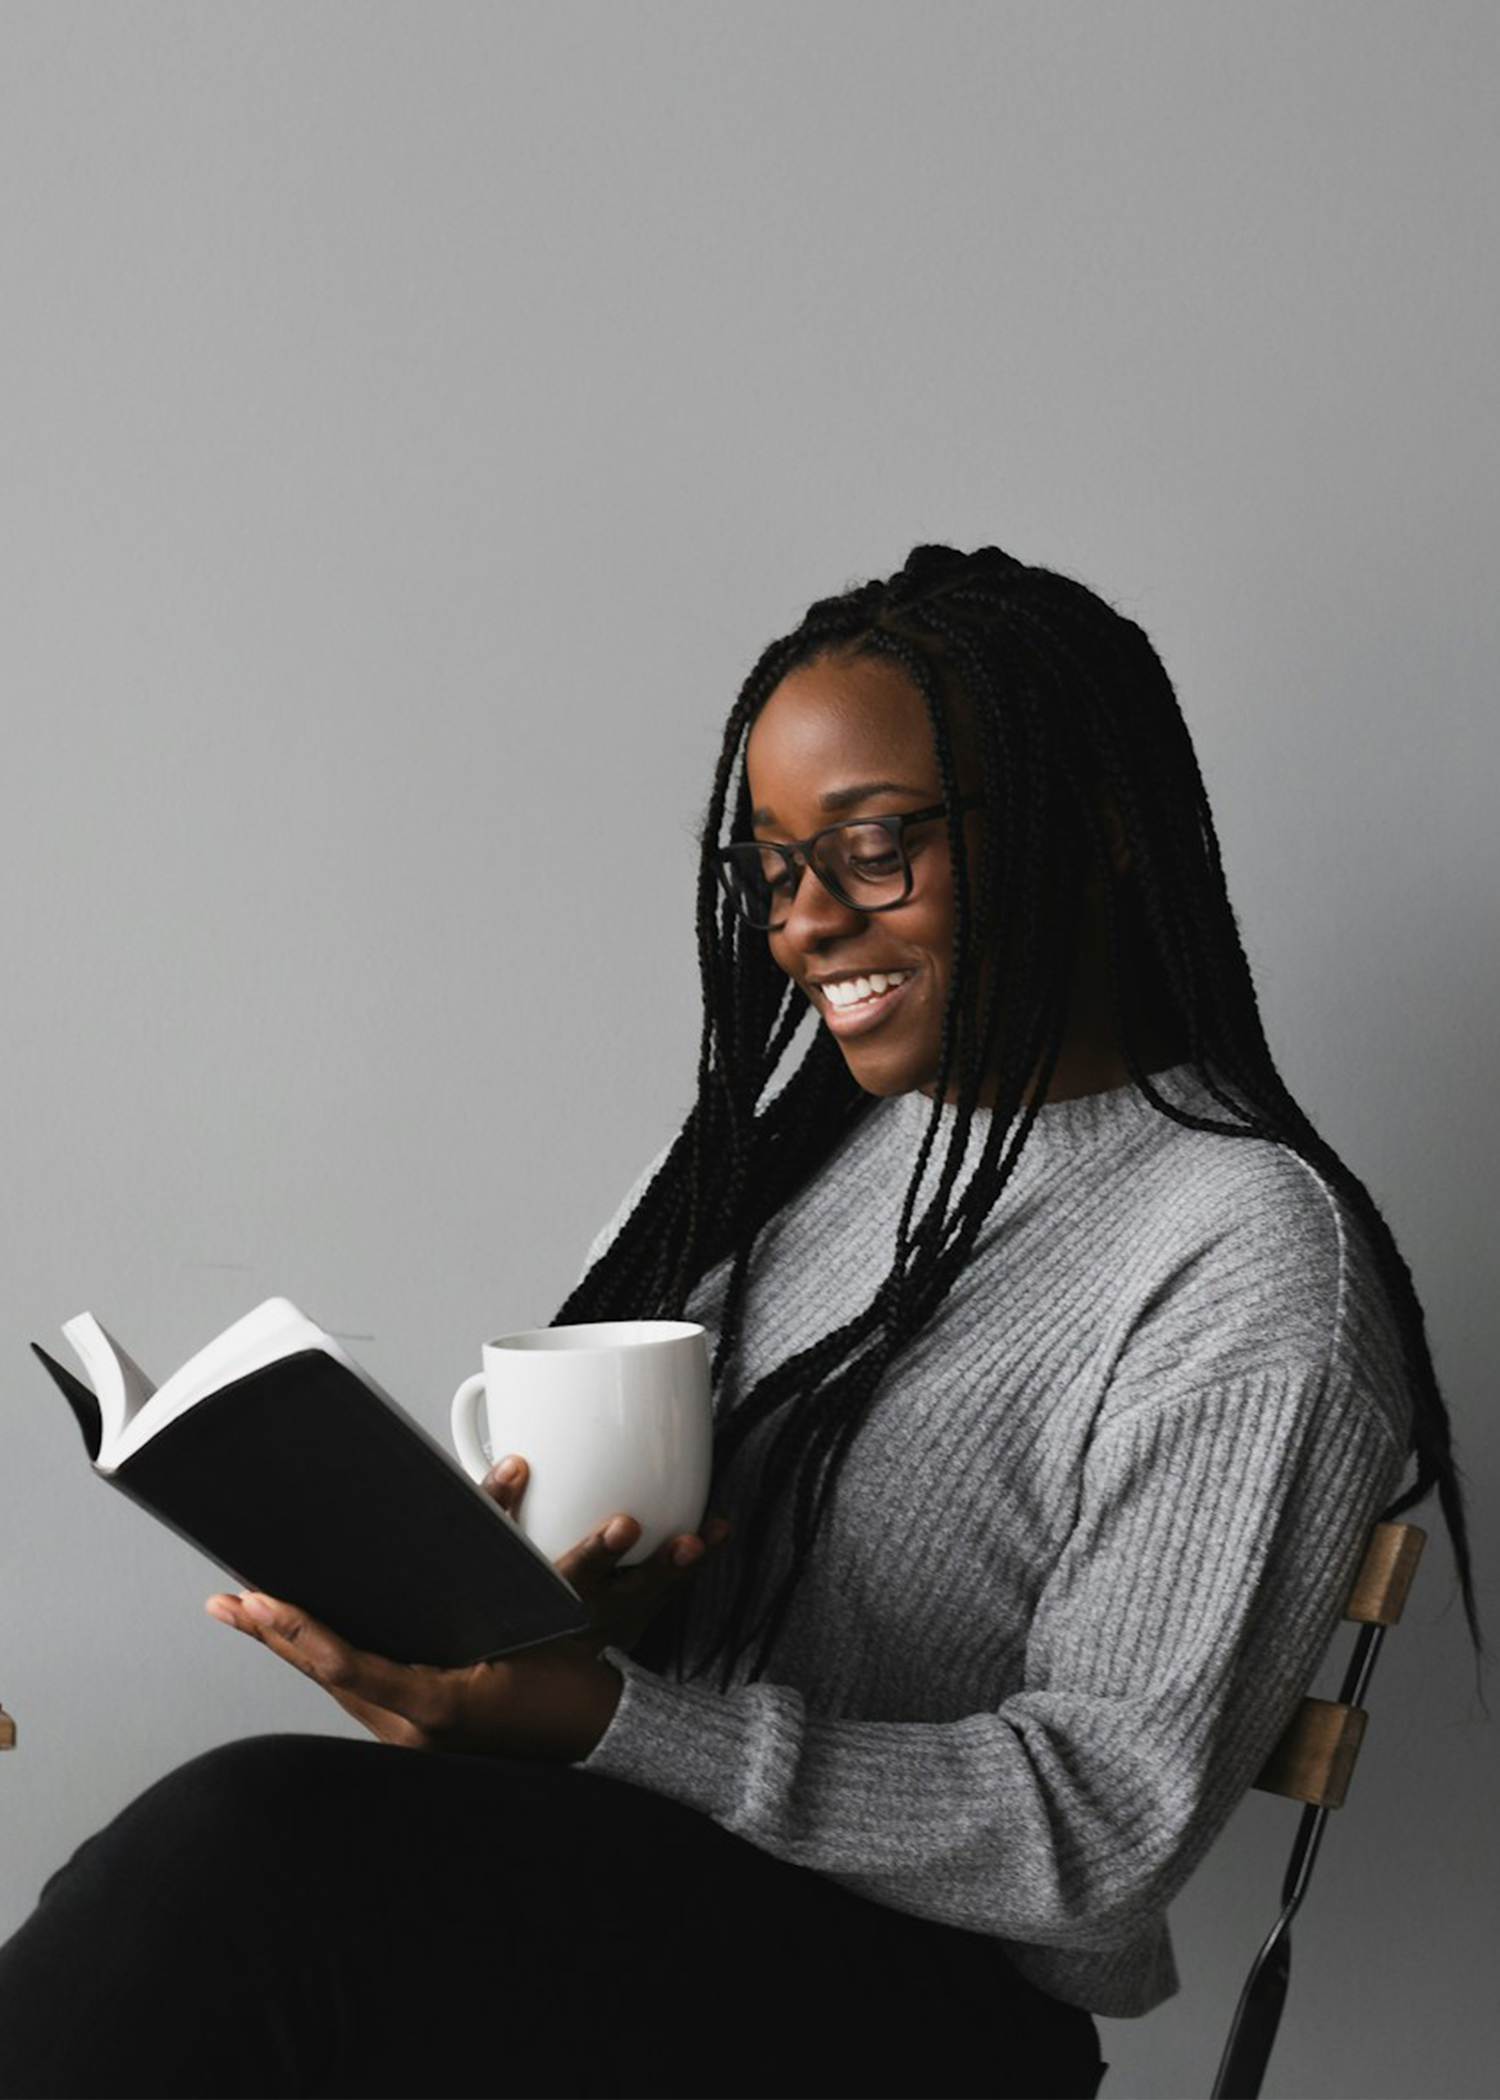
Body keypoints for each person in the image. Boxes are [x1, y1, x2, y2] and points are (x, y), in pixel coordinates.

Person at [0, 545, 1475, 2100]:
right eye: (772, 871)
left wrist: (621, 1723)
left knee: (250, 1858)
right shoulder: (770, 1164)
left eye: (874, 845)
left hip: (913, 2020)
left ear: (1093, 823)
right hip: (644, 1907)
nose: (802, 925)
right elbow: (652, 1673)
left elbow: (1102, 1841)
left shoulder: (1243, 1253)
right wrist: (533, 1655)